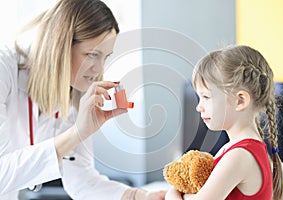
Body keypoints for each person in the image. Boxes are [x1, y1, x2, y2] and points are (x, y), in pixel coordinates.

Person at [0, 0, 166, 199]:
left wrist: (140, 196)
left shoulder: (74, 95)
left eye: (105, 57)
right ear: (60, 46)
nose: (99, 70)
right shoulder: (4, 69)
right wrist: (76, 133)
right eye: (92, 55)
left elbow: (82, 180)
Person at [166, 45, 283, 200]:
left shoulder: (239, 156)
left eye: (206, 97)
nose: (198, 107)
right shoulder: (233, 149)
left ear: (240, 100)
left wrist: (172, 193)